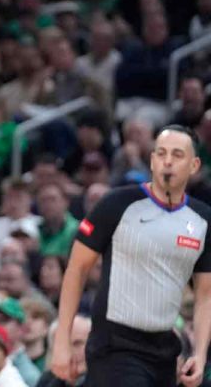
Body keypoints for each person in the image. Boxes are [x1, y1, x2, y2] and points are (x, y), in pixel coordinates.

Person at [51, 125, 211, 387]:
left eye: (177, 154)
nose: (167, 161)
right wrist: (61, 341)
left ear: (194, 165)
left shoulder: (204, 219)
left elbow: (206, 294)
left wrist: (200, 353)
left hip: (165, 349)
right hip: (114, 346)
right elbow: (77, 270)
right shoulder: (115, 204)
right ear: (152, 160)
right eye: (161, 153)